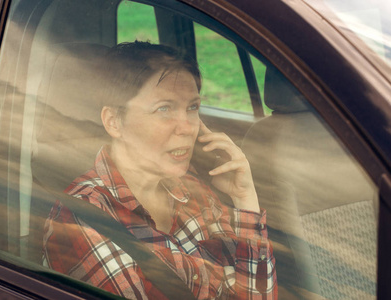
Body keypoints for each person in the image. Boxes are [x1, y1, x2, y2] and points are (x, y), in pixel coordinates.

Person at [43, 41, 277, 300]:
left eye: (192, 107)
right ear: (114, 122)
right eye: (164, 109)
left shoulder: (192, 189)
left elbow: (254, 294)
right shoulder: (84, 218)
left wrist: (245, 199)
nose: (188, 127)